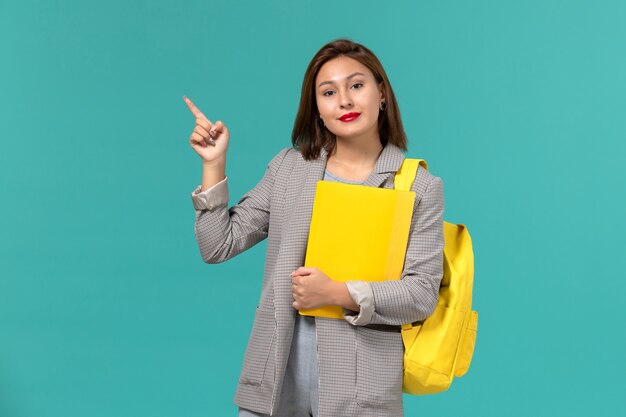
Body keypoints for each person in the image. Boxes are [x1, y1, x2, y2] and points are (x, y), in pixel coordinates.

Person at [185, 38, 445, 417]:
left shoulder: (418, 186)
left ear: (382, 93)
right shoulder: (289, 169)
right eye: (328, 91)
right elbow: (217, 245)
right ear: (317, 109)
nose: (344, 100)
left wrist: (338, 293)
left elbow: (421, 294)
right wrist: (214, 165)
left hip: (361, 396)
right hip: (274, 387)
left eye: (356, 85)